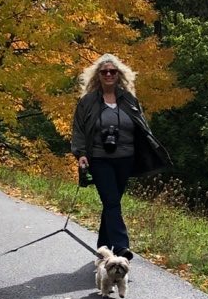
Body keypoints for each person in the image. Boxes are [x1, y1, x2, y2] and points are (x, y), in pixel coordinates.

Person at [71, 53, 171, 260]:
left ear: (119, 75)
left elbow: (142, 128)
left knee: (112, 202)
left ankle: (103, 248)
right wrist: (80, 154)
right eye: (104, 72)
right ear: (97, 75)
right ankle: (120, 246)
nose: (108, 74)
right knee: (111, 200)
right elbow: (79, 129)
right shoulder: (88, 102)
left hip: (126, 158)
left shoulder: (129, 100)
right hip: (99, 158)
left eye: (112, 71)